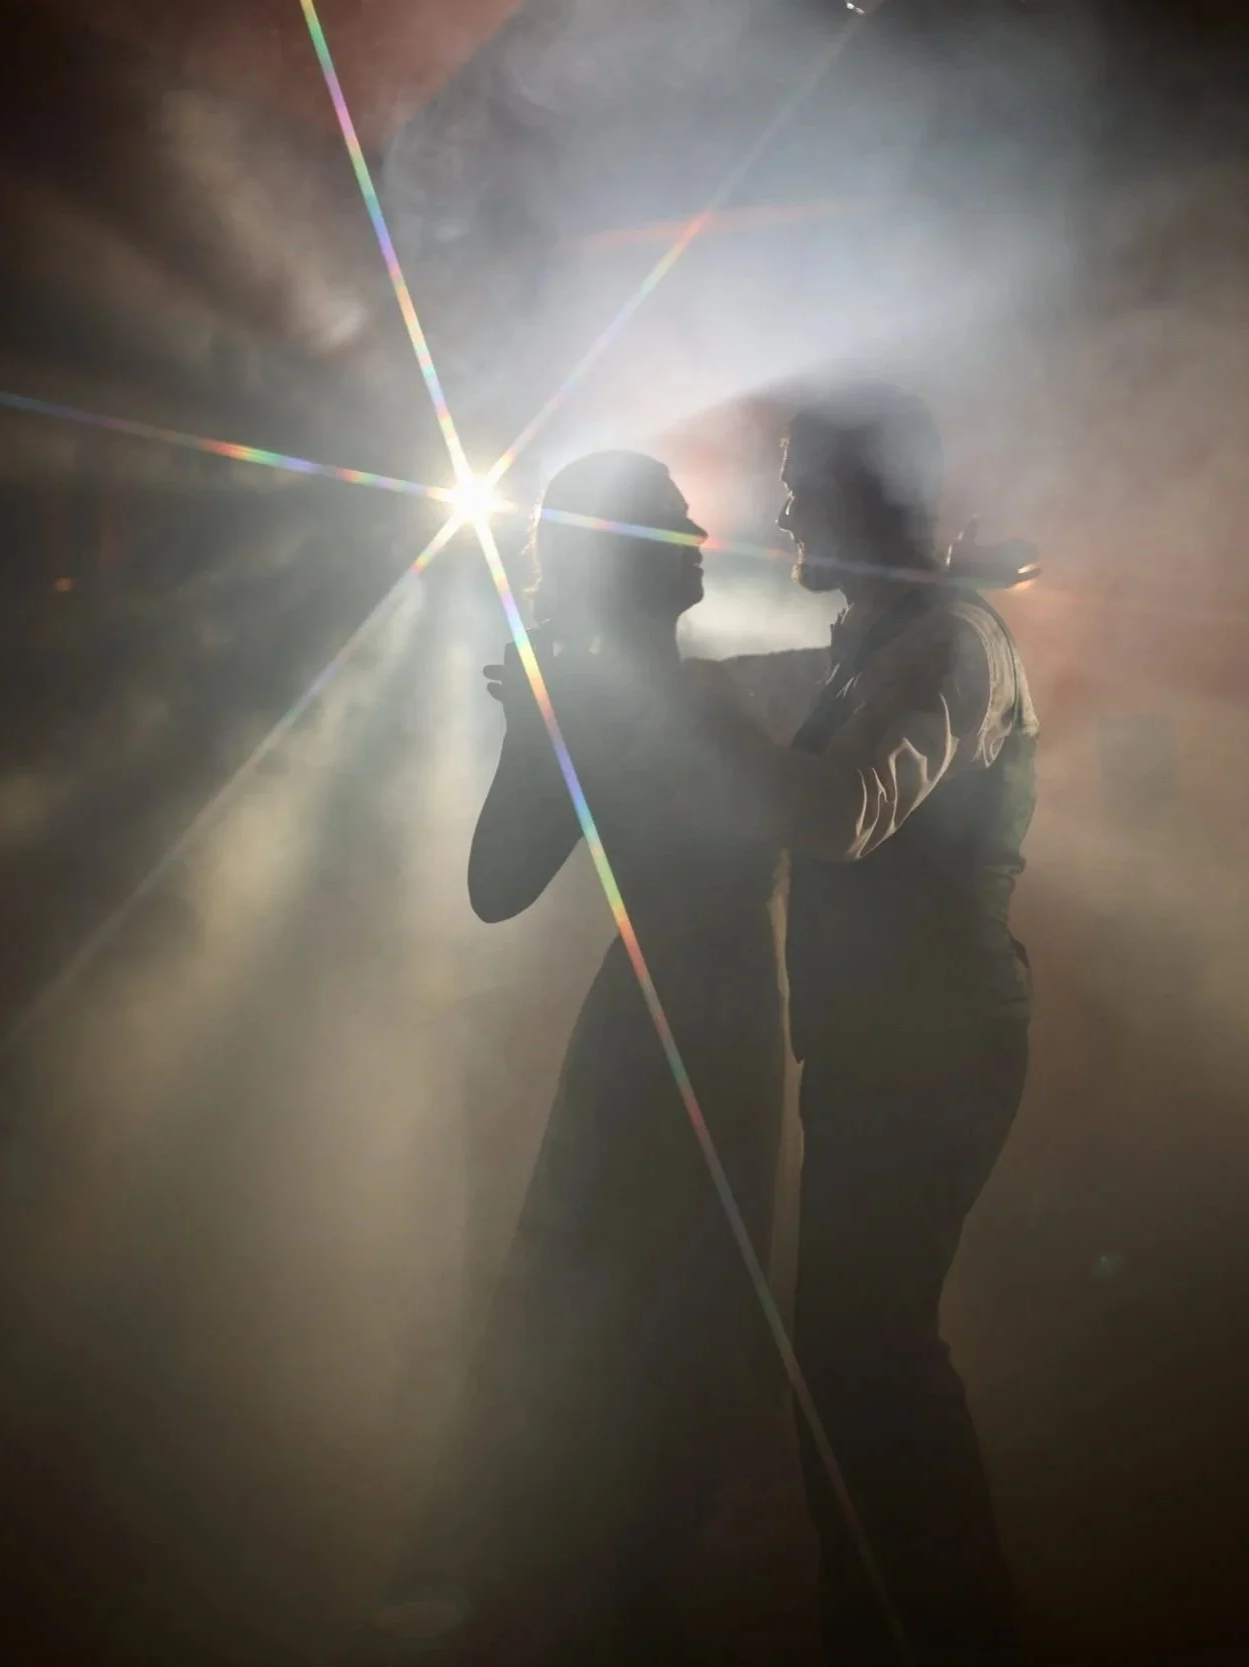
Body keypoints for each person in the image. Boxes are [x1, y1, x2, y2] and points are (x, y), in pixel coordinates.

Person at [394, 451, 789, 1665]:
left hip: (715, 1033)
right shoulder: (593, 694)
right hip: (659, 1041)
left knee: (681, 1321)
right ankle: (616, 1600)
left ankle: (642, 1588)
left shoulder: (702, 683)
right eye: (671, 522)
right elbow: (495, 885)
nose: (701, 537)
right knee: (641, 1325)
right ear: (617, 553)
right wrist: (532, 730)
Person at [725, 383, 1040, 1667]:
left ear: (869, 488)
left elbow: (844, 806)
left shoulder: (948, 640)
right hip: (887, 1049)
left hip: (933, 1049)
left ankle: (936, 1631)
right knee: (861, 1360)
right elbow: (760, 693)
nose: (784, 502)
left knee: (866, 1360)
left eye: (805, 477)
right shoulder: (888, 633)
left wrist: (667, 708)